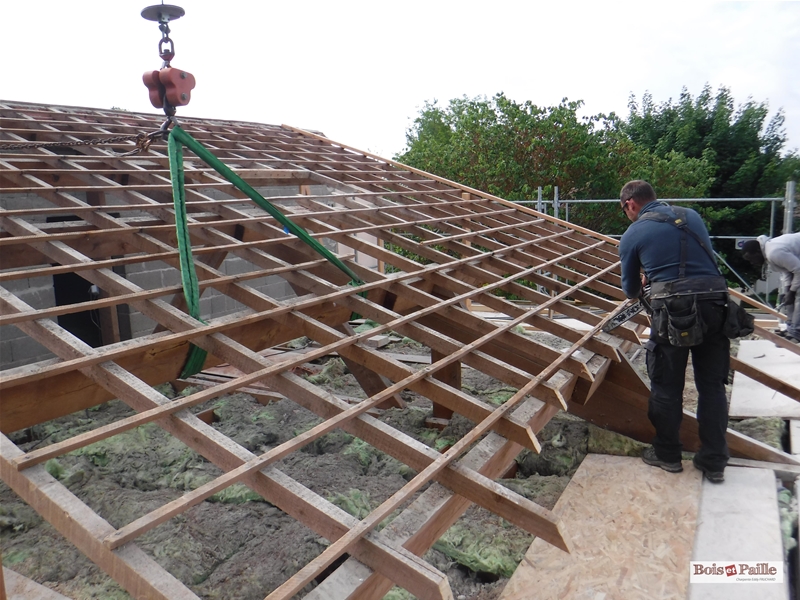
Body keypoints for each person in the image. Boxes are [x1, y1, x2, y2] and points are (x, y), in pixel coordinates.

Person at [618, 180, 730, 483]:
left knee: (666, 387)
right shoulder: (690, 216)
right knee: (712, 387)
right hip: (715, 305)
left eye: (624, 210)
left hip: (673, 313)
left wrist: (646, 280)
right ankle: (714, 462)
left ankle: (667, 454)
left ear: (630, 204)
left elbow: (630, 291)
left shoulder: (633, 234)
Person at [741, 234, 800, 341]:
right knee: (790, 296)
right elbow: (787, 270)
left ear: (758, 252)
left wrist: (792, 292)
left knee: (798, 294)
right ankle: (791, 329)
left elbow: (798, 270)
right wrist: (788, 290)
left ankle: (797, 332)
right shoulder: (770, 251)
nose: (752, 263)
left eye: (751, 259)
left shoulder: (774, 253)